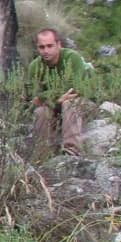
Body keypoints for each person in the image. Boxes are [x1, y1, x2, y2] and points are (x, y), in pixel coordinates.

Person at [26, 28, 94, 158]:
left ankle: (72, 151)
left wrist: (46, 97)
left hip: (83, 103)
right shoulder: (35, 66)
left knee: (70, 103)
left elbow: (76, 88)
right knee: (40, 112)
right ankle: (43, 156)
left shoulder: (72, 58)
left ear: (59, 45)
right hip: (55, 108)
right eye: (42, 47)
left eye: (50, 46)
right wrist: (57, 98)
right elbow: (32, 96)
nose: (46, 51)